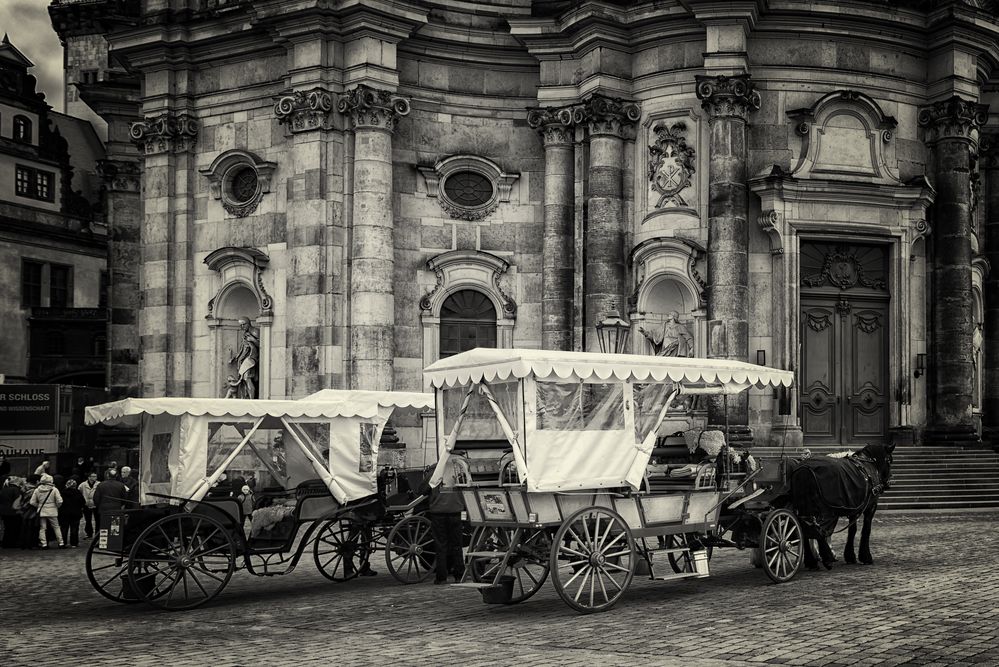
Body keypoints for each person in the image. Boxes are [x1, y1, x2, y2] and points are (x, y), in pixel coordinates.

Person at [418, 459, 466, 585]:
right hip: (455, 510)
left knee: (441, 545)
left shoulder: (435, 471)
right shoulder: (460, 468)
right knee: (457, 545)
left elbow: (422, 490)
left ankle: (441, 577)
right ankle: (459, 575)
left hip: (438, 512)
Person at [30, 473, 64, 549]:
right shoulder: (54, 489)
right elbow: (59, 501)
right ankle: (61, 543)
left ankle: (44, 544)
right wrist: (56, 507)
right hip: (52, 510)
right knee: (56, 527)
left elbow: (32, 502)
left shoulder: (37, 490)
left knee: (42, 528)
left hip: (42, 510)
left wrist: (38, 506)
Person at [229, 317, 260, 399]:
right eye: (241, 325)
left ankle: (252, 399)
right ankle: (246, 397)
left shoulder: (255, 331)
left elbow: (262, 345)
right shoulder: (245, 333)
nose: (242, 327)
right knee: (244, 380)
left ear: (248, 323)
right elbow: (242, 348)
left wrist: (253, 340)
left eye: (243, 324)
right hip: (244, 359)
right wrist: (235, 357)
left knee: (247, 378)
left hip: (251, 358)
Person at [59, 479, 85, 548]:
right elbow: (83, 502)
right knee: (74, 528)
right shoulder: (78, 492)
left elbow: (59, 502)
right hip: (76, 513)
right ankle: (74, 543)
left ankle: (63, 542)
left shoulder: (63, 492)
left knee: (64, 528)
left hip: (64, 513)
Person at [0, 476, 23, 548]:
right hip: (13, 512)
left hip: (3, 511)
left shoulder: (3, 489)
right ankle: (12, 543)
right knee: (14, 528)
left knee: (7, 527)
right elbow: (17, 501)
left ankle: (5, 543)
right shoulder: (16, 490)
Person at [79, 472, 99, 539]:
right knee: (88, 519)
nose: (95, 478)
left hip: (96, 503)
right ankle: (89, 533)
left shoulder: (98, 484)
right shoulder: (83, 484)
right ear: (89, 477)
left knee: (97, 519)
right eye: (93, 476)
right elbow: (79, 492)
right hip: (86, 504)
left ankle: (97, 533)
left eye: (95, 476)